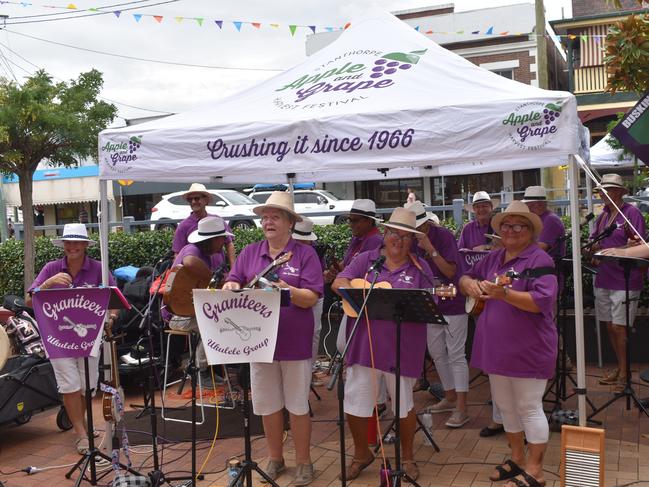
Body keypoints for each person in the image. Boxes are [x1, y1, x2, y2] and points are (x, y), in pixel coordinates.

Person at [223, 192, 323, 486]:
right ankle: (276, 458)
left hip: (294, 340)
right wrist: (230, 284)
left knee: (297, 405)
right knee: (267, 404)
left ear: (290, 223)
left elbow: (311, 298)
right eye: (265, 216)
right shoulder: (250, 252)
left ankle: (304, 462)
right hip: (258, 341)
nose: (268, 221)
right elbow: (234, 278)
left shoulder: (305, 254)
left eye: (275, 216)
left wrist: (286, 289)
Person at [332, 208, 435, 481]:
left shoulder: (420, 268)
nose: (398, 240)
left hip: (402, 346)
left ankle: (408, 457)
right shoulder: (367, 260)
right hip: (364, 345)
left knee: (403, 403)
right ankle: (361, 453)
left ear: (412, 240)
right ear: (385, 234)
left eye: (405, 236)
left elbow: (431, 302)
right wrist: (355, 290)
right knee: (355, 401)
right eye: (393, 233)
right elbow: (339, 282)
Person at [459, 201, 557, 487]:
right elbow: (466, 276)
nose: (511, 230)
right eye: (506, 225)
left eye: (519, 225)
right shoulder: (494, 257)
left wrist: (505, 296)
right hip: (495, 346)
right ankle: (516, 457)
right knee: (505, 406)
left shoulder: (539, 260)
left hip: (529, 347)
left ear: (530, 231)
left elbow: (542, 302)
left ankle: (535, 469)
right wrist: (469, 285)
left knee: (528, 406)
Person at [25, 223, 118, 455]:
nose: (72, 246)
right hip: (57, 338)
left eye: (77, 242)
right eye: (68, 242)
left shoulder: (99, 268)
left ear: (86, 245)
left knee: (88, 386)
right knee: (70, 385)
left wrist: (112, 318)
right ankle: (80, 434)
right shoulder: (51, 268)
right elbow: (29, 302)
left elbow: (114, 300)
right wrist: (47, 284)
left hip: (89, 338)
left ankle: (80, 422)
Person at [405, 201, 470, 428]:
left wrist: (431, 248)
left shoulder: (442, 236)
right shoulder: (410, 242)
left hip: (453, 303)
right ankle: (450, 396)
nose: (417, 234)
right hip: (430, 303)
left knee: (456, 354)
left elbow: (451, 271)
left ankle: (461, 407)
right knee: (436, 352)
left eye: (419, 229)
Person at [588, 174, 646, 391]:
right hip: (604, 277)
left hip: (625, 279)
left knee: (620, 328)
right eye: (603, 191)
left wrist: (619, 249)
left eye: (611, 190)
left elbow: (640, 245)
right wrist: (592, 249)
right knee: (610, 326)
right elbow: (594, 243)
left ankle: (624, 373)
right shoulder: (602, 216)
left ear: (622, 192)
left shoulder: (631, 213)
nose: (605, 194)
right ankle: (622, 368)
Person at [165, 216, 233, 387]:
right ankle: (198, 370)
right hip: (177, 315)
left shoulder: (217, 256)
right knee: (215, 325)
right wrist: (212, 279)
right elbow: (188, 263)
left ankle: (204, 369)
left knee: (226, 321)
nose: (225, 241)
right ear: (212, 239)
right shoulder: (192, 249)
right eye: (221, 238)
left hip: (196, 311)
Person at [291, 216, 325, 385]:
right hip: (295, 298)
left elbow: (319, 278)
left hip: (314, 296)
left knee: (314, 332)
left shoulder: (313, 251)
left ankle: (309, 372)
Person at [171, 183, 236, 270]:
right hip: (197, 277)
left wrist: (233, 271)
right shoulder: (183, 226)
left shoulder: (217, 221)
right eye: (190, 199)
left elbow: (229, 244)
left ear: (206, 200)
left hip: (219, 274)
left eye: (197, 198)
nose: (193, 202)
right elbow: (178, 255)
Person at [521, 186, 566, 260]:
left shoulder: (550, 220)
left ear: (538, 205)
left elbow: (540, 248)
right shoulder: (538, 218)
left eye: (528, 205)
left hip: (546, 266)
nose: (527, 208)